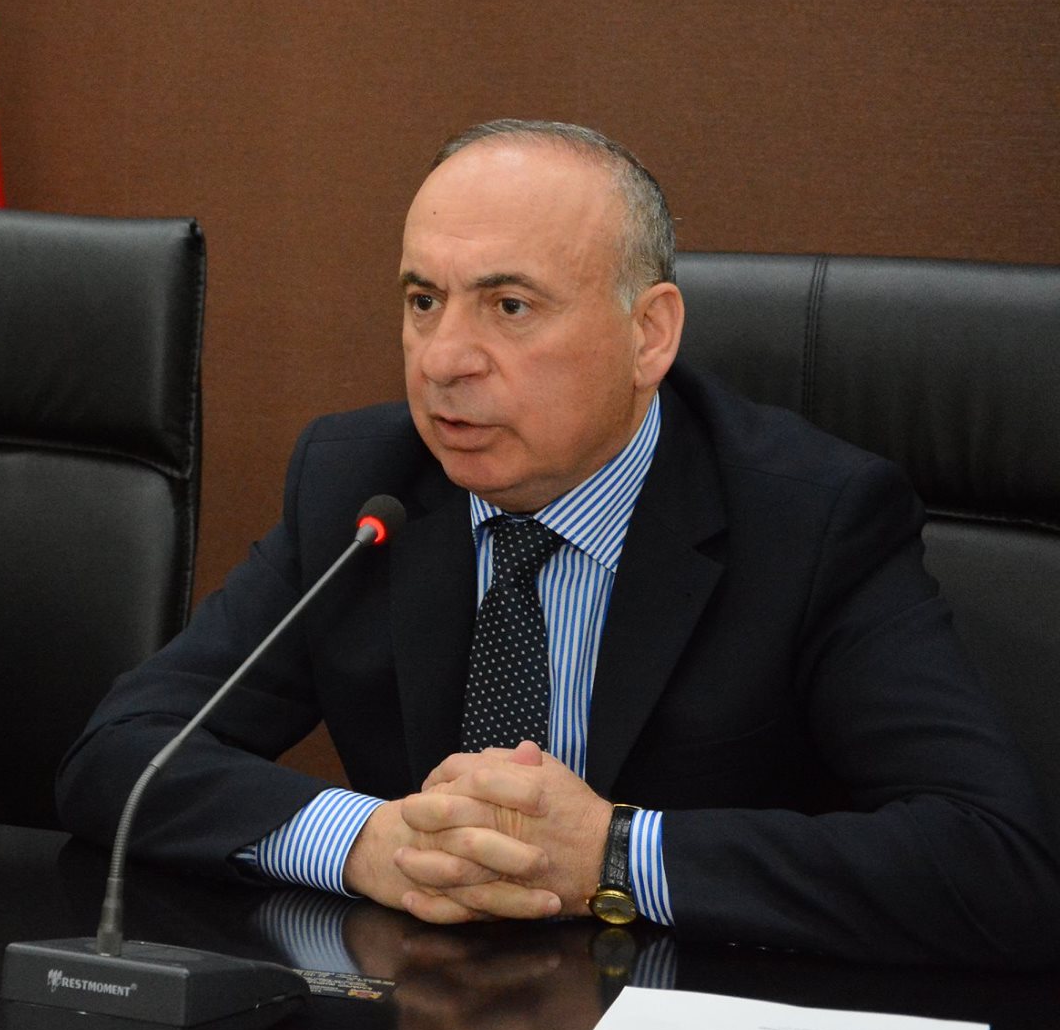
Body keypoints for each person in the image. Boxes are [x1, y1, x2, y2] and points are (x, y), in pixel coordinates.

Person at [56, 119, 1060, 966]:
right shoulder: (363, 487)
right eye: (422, 301)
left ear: (648, 334)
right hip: (428, 1004)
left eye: (509, 306)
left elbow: (993, 862)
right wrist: (366, 840)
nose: (444, 360)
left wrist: (614, 856)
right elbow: (121, 754)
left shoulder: (813, 519)